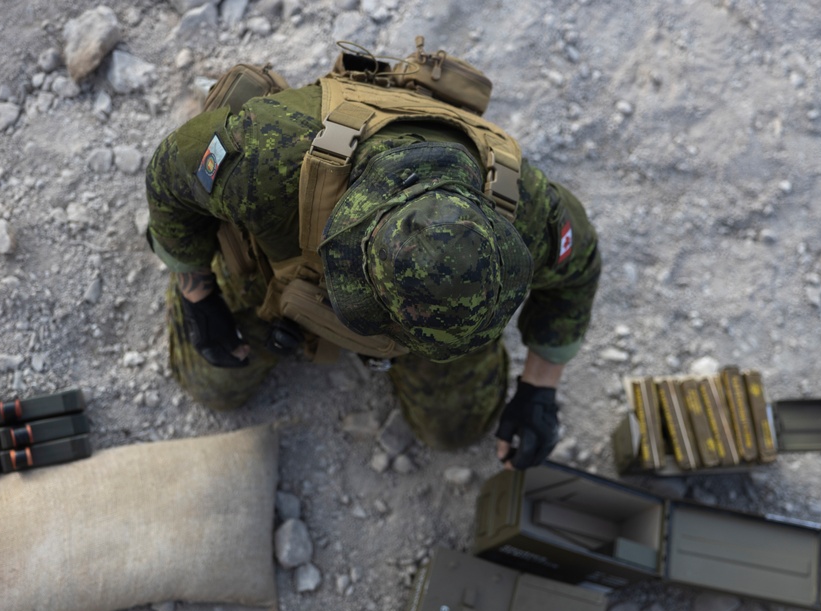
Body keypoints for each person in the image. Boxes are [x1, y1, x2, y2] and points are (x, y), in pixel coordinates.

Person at [144, 49, 601, 470]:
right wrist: (197, 291)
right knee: (213, 386)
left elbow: (577, 271)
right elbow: (170, 176)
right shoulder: (270, 156)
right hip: (284, 257)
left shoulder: (528, 209)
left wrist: (540, 388)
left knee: (456, 432)